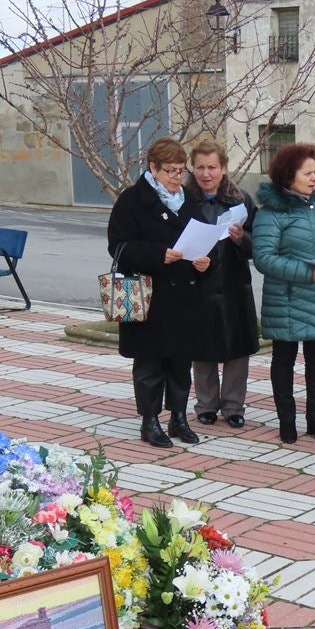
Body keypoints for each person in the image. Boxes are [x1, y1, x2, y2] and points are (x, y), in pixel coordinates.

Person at [107, 138, 210, 447]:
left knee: (181, 361)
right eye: (170, 171)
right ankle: (149, 421)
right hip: (148, 294)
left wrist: (206, 262)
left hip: (185, 297)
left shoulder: (189, 199)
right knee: (150, 362)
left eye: (181, 171)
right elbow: (118, 246)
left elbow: (205, 238)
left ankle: (178, 417)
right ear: (152, 168)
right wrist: (157, 255)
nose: (177, 178)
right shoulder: (132, 200)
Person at [253, 142, 315, 444]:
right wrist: (308, 272)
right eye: (307, 173)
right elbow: (264, 257)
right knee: (284, 359)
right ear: (288, 176)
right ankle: (287, 421)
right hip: (287, 299)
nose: (314, 179)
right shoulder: (272, 212)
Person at [185, 139, 259, 430]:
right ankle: (206, 405)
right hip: (197, 283)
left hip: (233, 284)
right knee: (201, 348)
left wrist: (242, 239)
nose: (206, 174)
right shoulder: (184, 200)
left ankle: (233, 406)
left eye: (212, 167)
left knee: (236, 349)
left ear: (224, 168)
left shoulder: (242, 200)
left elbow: (258, 246)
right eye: (200, 167)